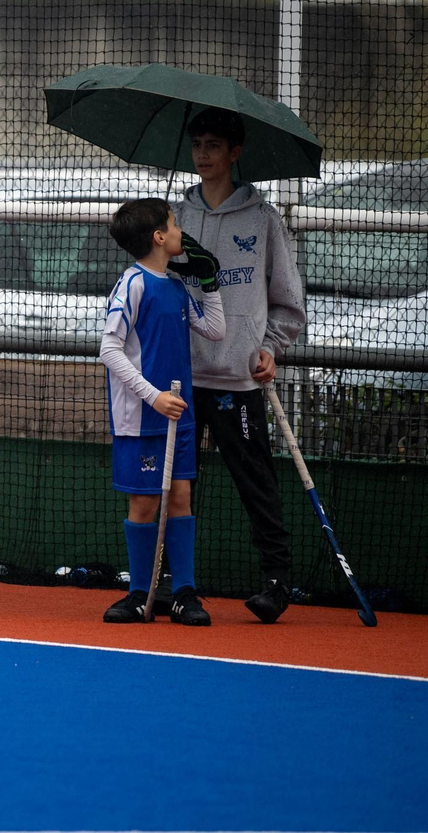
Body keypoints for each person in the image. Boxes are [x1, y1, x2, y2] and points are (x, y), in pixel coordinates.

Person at [172, 108, 308, 622]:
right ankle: (170, 583)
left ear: (235, 152)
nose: (203, 154)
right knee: (175, 485)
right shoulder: (174, 219)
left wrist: (269, 347)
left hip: (238, 380)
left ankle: (276, 583)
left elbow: (288, 303)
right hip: (178, 381)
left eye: (213, 145)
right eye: (197, 144)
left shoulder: (264, 219)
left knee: (257, 484)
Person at [99, 199, 224, 626]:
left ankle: (184, 594)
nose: (179, 231)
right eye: (173, 224)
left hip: (180, 416)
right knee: (145, 502)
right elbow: (109, 350)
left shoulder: (175, 286)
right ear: (158, 237)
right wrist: (152, 396)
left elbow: (214, 328)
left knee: (182, 498)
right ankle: (139, 593)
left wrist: (210, 281)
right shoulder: (131, 284)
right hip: (142, 415)